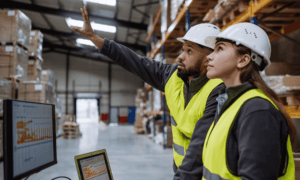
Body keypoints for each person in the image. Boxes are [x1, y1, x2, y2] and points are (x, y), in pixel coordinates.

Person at [72, 7, 225, 179]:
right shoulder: (172, 76)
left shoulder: (218, 91)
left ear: (209, 59)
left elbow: (199, 148)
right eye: (183, 49)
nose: (180, 57)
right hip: (181, 169)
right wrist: (96, 40)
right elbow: (135, 62)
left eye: (189, 51)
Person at [202, 22, 296, 179]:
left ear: (243, 60)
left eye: (220, 48)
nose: (209, 56)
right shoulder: (229, 102)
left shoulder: (258, 112)